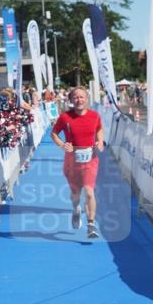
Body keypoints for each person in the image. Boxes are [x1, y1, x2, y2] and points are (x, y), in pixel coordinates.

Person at [51, 88, 106, 239]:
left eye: (82, 97)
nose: (79, 100)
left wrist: (100, 141)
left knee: (89, 191)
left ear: (87, 99)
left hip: (91, 159)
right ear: (71, 100)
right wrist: (62, 145)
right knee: (76, 193)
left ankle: (91, 224)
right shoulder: (65, 117)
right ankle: (76, 209)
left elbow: (99, 129)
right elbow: (54, 133)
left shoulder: (94, 116)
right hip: (72, 161)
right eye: (76, 97)